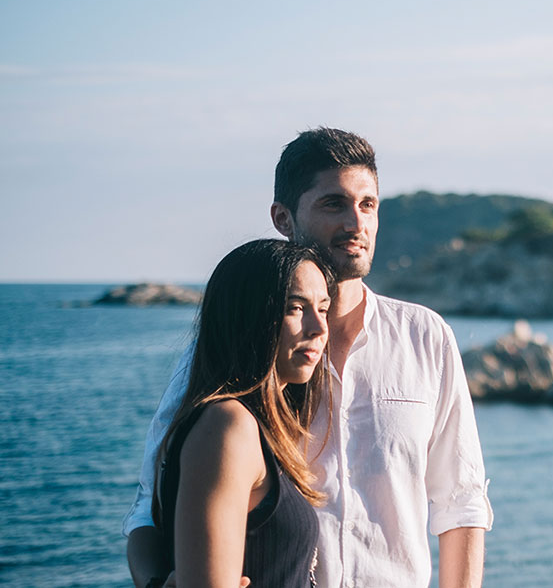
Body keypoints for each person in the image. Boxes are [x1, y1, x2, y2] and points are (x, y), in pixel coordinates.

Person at [125, 128, 493, 588]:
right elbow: (152, 502)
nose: (356, 224)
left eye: (368, 205)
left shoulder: (426, 338)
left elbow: (461, 501)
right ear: (283, 217)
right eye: (334, 204)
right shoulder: (233, 362)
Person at [153, 239, 334, 587]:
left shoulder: (260, 426)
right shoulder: (227, 426)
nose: (318, 328)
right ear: (249, 316)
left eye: (322, 308)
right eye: (295, 308)